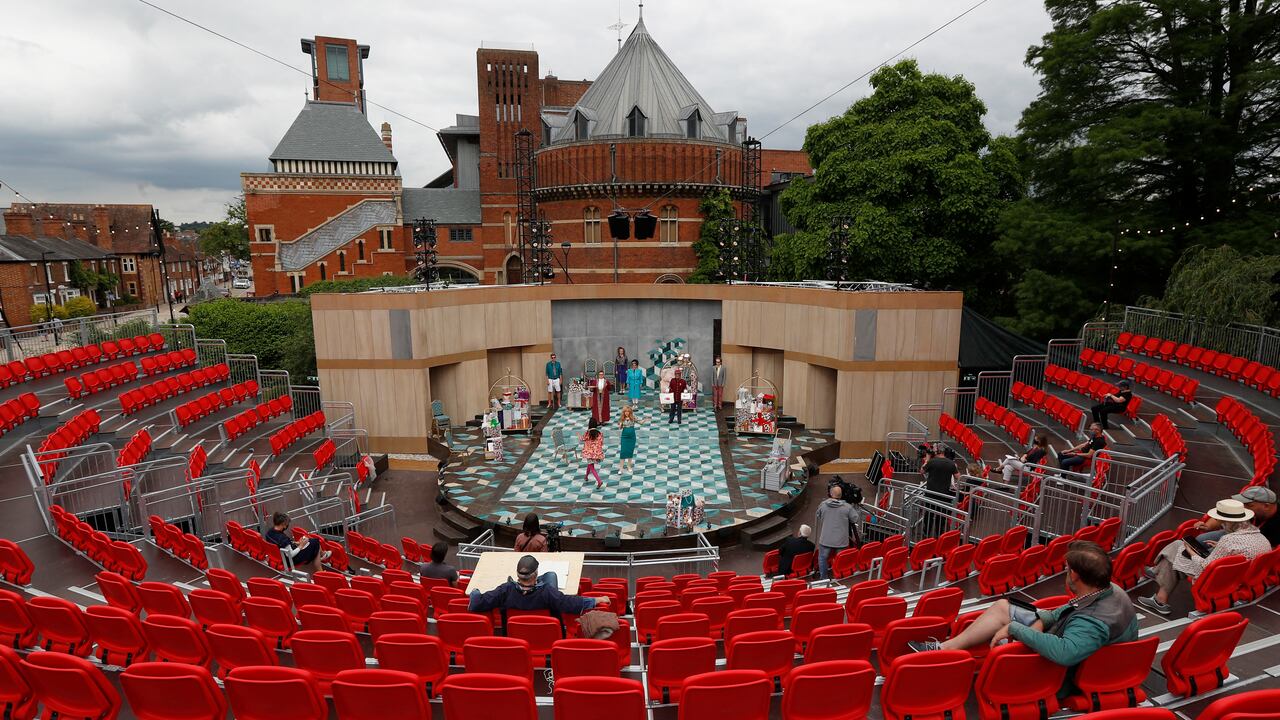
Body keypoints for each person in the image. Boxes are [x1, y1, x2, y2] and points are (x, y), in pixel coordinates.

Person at [909, 540, 1138, 696]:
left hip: (1061, 676)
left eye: (1067, 568)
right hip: (1061, 634)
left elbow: (1065, 653)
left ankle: (945, 655)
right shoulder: (1109, 590)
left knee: (1007, 635)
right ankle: (945, 649)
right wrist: (1039, 623)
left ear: (1075, 575)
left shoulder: (1093, 622)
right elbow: (1064, 610)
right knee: (1002, 606)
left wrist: (1016, 629)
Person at [1139, 498, 1273, 615]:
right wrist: (1218, 547)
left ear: (1228, 522)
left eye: (1221, 521)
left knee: (1176, 548)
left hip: (1215, 579)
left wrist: (1191, 553)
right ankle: (1158, 594)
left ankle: (1159, 591)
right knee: (1177, 551)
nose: (1220, 524)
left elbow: (1206, 566)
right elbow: (1238, 556)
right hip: (1237, 578)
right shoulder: (1262, 538)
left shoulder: (1229, 540)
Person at [467, 554, 606, 626]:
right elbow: (570, 603)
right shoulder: (547, 593)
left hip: (515, 636)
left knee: (550, 576)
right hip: (546, 636)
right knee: (551, 576)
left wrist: (475, 590)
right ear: (536, 574)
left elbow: (476, 603)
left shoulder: (506, 590)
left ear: (517, 575)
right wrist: (595, 600)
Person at [1192, 486, 1280, 548]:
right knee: (1201, 539)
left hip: (1254, 547)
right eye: (1243, 504)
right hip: (1236, 533)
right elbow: (1224, 515)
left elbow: (1267, 552)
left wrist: (1228, 548)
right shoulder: (1253, 510)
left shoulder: (1276, 525)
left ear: (1266, 506)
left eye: (1249, 505)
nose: (1244, 508)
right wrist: (1208, 526)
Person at [813, 484, 860, 580]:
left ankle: (823, 578)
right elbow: (855, 518)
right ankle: (838, 577)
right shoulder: (847, 507)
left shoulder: (823, 505)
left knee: (822, 558)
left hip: (826, 539)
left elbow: (818, 515)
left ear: (830, 494)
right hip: (841, 540)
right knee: (840, 560)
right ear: (841, 495)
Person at [263, 511, 330, 573]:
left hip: (279, 557)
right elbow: (290, 554)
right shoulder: (283, 539)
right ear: (283, 524)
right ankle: (321, 571)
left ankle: (323, 555)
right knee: (316, 543)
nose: (287, 526)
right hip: (290, 560)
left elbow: (281, 545)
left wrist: (296, 543)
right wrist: (301, 546)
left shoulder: (269, 533)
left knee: (311, 542)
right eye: (286, 524)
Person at [617, 404, 645, 474]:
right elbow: (620, 427)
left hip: (632, 436)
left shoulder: (633, 417)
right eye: (625, 411)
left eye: (628, 411)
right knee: (623, 452)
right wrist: (620, 424)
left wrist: (645, 420)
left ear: (630, 412)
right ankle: (621, 468)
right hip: (624, 436)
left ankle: (629, 466)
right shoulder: (622, 418)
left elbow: (640, 422)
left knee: (630, 451)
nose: (627, 413)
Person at [581, 418, 605, 489]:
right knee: (590, 464)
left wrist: (579, 436)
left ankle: (599, 481)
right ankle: (586, 476)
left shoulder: (588, 433)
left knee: (592, 467)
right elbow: (601, 443)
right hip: (596, 453)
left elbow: (583, 439)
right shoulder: (599, 433)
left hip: (589, 453)